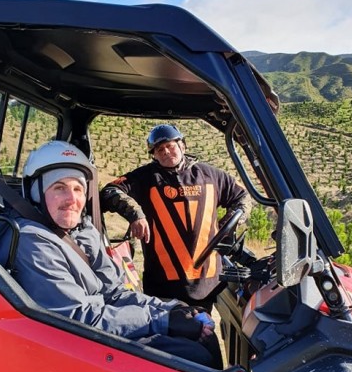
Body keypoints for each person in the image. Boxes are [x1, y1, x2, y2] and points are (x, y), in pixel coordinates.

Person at [0, 140, 221, 369]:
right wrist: (162, 321)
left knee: (199, 328)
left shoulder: (81, 231)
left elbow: (114, 292)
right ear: (36, 193)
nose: (72, 199)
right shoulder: (31, 241)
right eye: (59, 188)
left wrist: (170, 309)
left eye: (78, 189)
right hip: (73, 347)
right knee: (195, 357)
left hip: (99, 328)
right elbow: (76, 320)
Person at [100, 123, 254, 313]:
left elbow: (243, 198)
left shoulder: (210, 175)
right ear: (154, 155)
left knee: (203, 329)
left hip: (207, 280)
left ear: (182, 146)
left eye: (170, 146)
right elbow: (109, 191)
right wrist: (135, 214)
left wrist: (228, 225)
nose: (166, 152)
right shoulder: (145, 178)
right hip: (163, 283)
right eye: (159, 149)